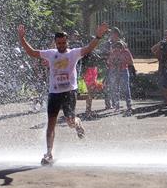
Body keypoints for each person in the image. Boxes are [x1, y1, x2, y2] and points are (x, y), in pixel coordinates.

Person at [18, 22, 109, 165]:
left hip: (69, 92)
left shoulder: (73, 53)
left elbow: (89, 48)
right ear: (55, 43)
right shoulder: (50, 54)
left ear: (67, 42)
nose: (61, 45)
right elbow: (32, 52)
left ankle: (77, 123)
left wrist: (98, 35)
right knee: (51, 124)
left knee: (70, 122)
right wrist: (22, 38)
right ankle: (48, 153)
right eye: (59, 43)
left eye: (63, 42)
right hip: (54, 93)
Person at [106, 40, 134, 115]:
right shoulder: (113, 52)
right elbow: (108, 62)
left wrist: (123, 61)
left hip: (123, 70)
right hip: (114, 71)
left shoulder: (126, 52)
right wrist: (114, 62)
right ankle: (117, 106)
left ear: (122, 46)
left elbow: (131, 62)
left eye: (120, 46)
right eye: (116, 46)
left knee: (126, 89)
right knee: (115, 89)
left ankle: (129, 106)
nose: (118, 48)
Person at [151, 29, 167, 107]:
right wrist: (159, 58)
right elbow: (166, 56)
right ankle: (166, 100)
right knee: (166, 84)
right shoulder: (164, 44)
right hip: (166, 66)